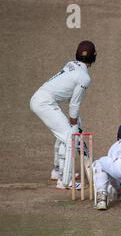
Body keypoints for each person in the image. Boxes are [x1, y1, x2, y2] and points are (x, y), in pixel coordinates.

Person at [30, 40, 96, 189]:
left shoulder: (70, 64)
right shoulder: (84, 78)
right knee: (70, 137)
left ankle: (57, 171)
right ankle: (65, 181)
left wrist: (72, 122)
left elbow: (67, 93)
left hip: (41, 98)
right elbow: (74, 103)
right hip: (44, 103)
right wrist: (74, 124)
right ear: (94, 58)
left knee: (62, 133)